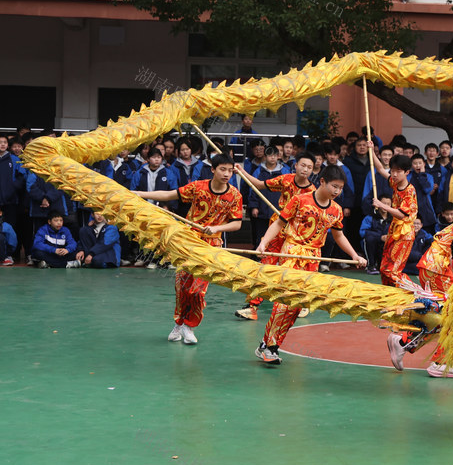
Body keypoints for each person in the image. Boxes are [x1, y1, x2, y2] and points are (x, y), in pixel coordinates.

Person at [254, 165, 366, 364]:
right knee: (285, 300)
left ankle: (269, 344)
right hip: (292, 252)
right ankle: (269, 346)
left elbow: (339, 236)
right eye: (334, 186)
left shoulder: (336, 210)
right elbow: (279, 223)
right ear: (322, 181)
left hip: (313, 258)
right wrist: (264, 242)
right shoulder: (300, 200)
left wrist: (354, 255)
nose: (337, 191)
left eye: (340, 188)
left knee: (298, 305)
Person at [136, 154, 244, 345]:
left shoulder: (235, 195)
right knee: (182, 287)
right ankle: (179, 323)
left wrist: (217, 228)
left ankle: (190, 326)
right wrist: (139, 194)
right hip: (188, 242)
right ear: (213, 169)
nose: (227, 174)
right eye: (222, 169)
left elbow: (237, 224)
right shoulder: (198, 187)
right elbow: (168, 195)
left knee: (198, 290)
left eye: (230, 170)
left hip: (211, 247)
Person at [232, 152, 317, 320]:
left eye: (309, 167)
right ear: (295, 165)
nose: (305, 169)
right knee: (266, 265)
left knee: (295, 271)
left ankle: (301, 304)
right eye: (303, 165)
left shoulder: (312, 192)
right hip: (277, 227)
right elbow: (259, 184)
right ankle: (251, 307)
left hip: (297, 235)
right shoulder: (285, 179)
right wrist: (242, 172)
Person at [369, 148, 418, 287]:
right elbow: (380, 169)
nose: (394, 174)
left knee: (392, 270)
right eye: (392, 170)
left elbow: (402, 214)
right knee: (384, 268)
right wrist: (371, 150)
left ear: (407, 172)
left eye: (398, 171)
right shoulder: (395, 182)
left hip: (404, 233)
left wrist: (382, 205)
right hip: (394, 230)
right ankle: (389, 294)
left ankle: (413, 292)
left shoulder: (409, 191)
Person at [360, 196, 393, 274]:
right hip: (373, 243)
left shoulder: (393, 219)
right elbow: (362, 232)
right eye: (383, 203)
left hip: (386, 244)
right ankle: (371, 265)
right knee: (369, 239)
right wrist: (380, 237)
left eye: (388, 204)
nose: (385, 206)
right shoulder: (370, 217)